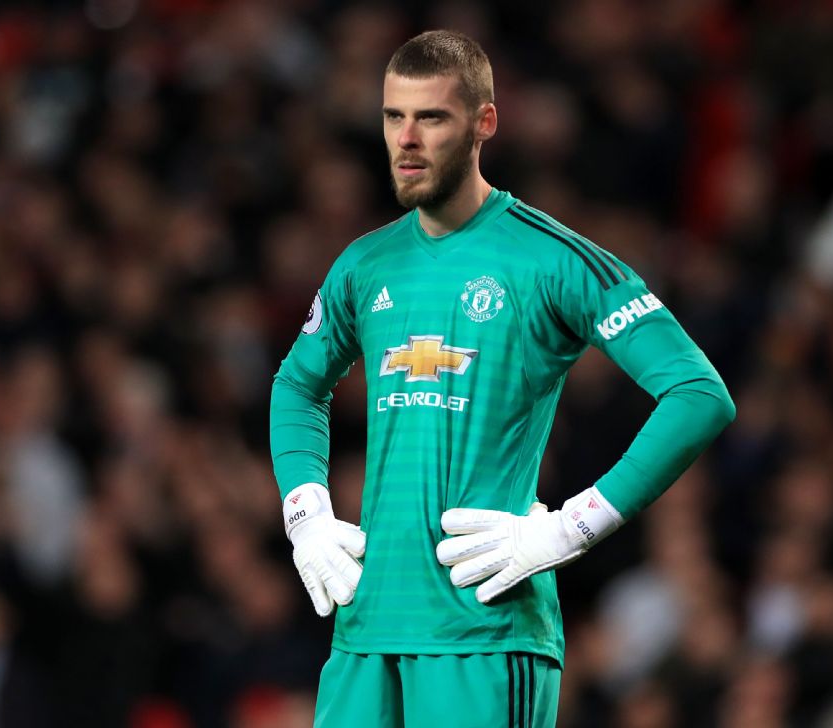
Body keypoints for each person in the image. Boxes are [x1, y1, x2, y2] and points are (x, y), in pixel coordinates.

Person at [269, 29, 735, 727]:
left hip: (484, 632)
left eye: (432, 117)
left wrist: (572, 528)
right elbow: (297, 386)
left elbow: (699, 395)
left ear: (485, 122)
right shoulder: (364, 265)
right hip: (366, 627)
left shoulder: (552, 259)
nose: (407, 139)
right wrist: (306, 513)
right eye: (395, 116)